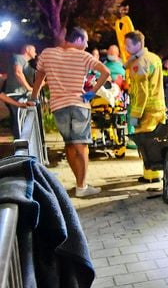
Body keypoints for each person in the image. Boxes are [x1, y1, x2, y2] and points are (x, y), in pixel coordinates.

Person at [31, 26, 111, 198]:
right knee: (81, 145)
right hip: (78, 104)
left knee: (69, 144)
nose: (87, 44)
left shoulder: (47, 53)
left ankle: (79, 184)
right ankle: (82, 186)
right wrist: (92, 92)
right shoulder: (83, 55)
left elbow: (39, 77)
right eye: (86, 40)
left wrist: (33, 97)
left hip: (58, 107)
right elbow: (106, 72)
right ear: (79, 39)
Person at [124, 30, 166, 182]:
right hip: (158, 107)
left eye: (128, 45)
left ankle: (151, 176)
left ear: (139, 44)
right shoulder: (153, 58)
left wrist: (135, 115)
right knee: (155, 142)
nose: (126, 48)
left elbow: (141, 92)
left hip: (146, 111)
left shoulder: (140, 63)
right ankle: (154, 174)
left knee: (147, 145)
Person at [3, 44, 37, 137]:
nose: (35, 53)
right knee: (19, 119)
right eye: (34, 50)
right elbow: (18, 73)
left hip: (22, 95)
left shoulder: (29, 65)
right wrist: (29, 88)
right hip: (16, 94)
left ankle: (23, 142)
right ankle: (20, 142)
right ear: (27, 50)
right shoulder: (18, 58)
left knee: (22, 119)